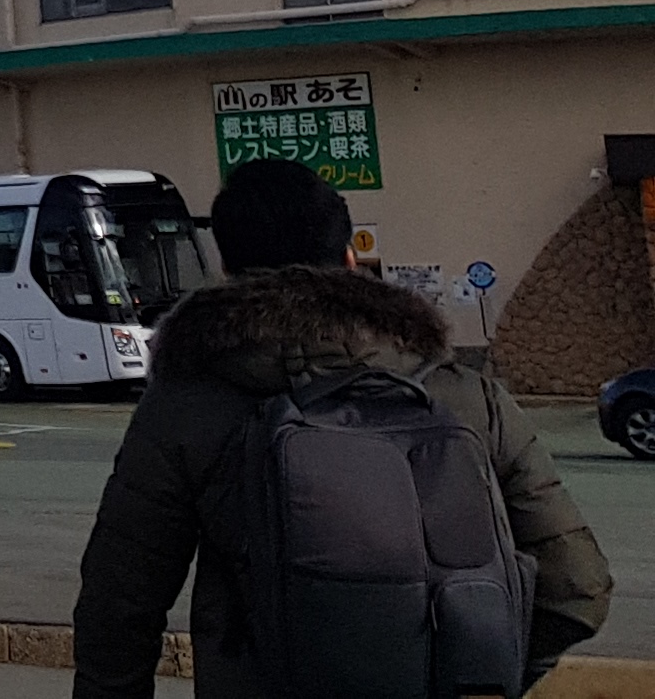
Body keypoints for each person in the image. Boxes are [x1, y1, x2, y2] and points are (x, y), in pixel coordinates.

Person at [72, 159, 609, 698]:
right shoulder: (464, 395)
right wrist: (481, 672)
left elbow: (119, 604)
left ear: (227, 268)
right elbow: (578, 585)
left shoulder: (189, 402)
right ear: (350, 259)